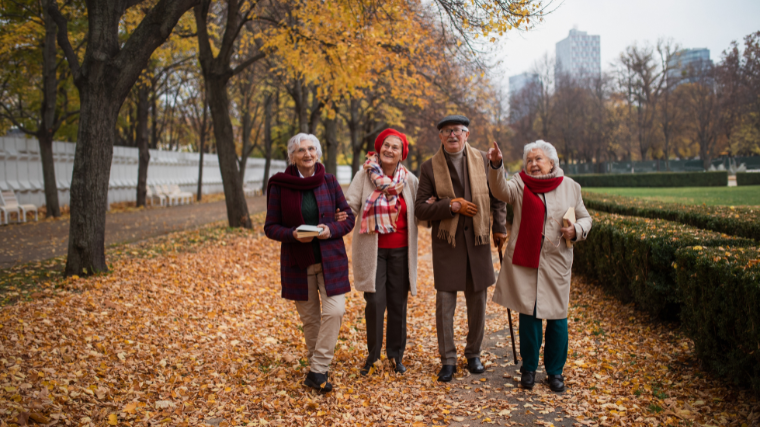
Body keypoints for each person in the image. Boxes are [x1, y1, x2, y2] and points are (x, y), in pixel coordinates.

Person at [486, 139, 592, 393]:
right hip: (526, 260)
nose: (533, 164)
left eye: (538, 159)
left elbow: (586, 218)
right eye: (529, 160)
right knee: (529, 315)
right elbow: (500, 191)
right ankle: (529, 369)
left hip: (556, 261)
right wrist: (496, 164)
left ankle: (555, 372)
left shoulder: (570, 187)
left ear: (552, 162)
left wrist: (576, 229)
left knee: (557, 318)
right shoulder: (519, 184)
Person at [415, 115, 508, 382]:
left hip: (477, 242)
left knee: (477, 301)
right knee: (445, 304)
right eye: (446, 131)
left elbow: (497, 195)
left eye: (457, 130)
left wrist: (499, 227)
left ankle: (474, 354)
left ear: (466, 134)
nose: (452, 135)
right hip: (448, 243)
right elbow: (421, 207)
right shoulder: (429, 167)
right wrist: (450, 206)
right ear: (440, 137)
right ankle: (448, 359)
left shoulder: (482, 158)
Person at [264, 133, 355, 393]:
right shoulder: (280, 185)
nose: (307, 154)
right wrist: (292, 234)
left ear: (318, 152)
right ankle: (320, 373)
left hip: (330, 260)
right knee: (311, 321)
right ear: (292, 155)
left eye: (312, 149)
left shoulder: (329, 181)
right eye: (301, 150)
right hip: (298, 262)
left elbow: (347, 218)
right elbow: (271, 227)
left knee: (335, 311)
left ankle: (317, 369)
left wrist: (331, 228)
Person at [345, 128, 420, 376]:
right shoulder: (364, 175)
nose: (389, 150)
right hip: (373, 250)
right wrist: (337, 219)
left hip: (401, 250)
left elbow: (421, 210)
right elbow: (350, 206)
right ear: (379, 148)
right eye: (385, 145)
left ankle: (396, 356)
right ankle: (373, 355)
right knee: (375, 303)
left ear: (402, 154)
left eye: (395, 147)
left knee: (398, 304)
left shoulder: (409, 181)